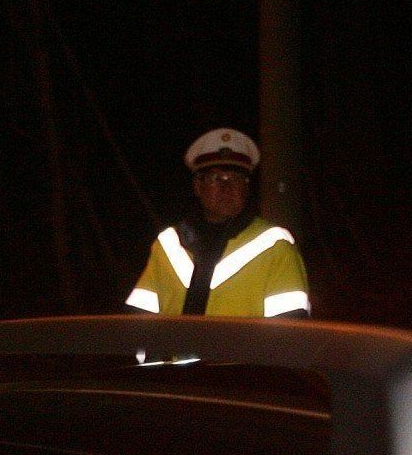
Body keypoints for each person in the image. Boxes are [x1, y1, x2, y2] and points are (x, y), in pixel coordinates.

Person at [125, 127, 310, 318]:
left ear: (247, 187)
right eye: (215, 178)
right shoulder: (169, 243)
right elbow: (138, 325)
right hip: (177, 349)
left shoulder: (275, 245)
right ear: (198, 186)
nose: (226, 186)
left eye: (236, 179)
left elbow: (289, 333)